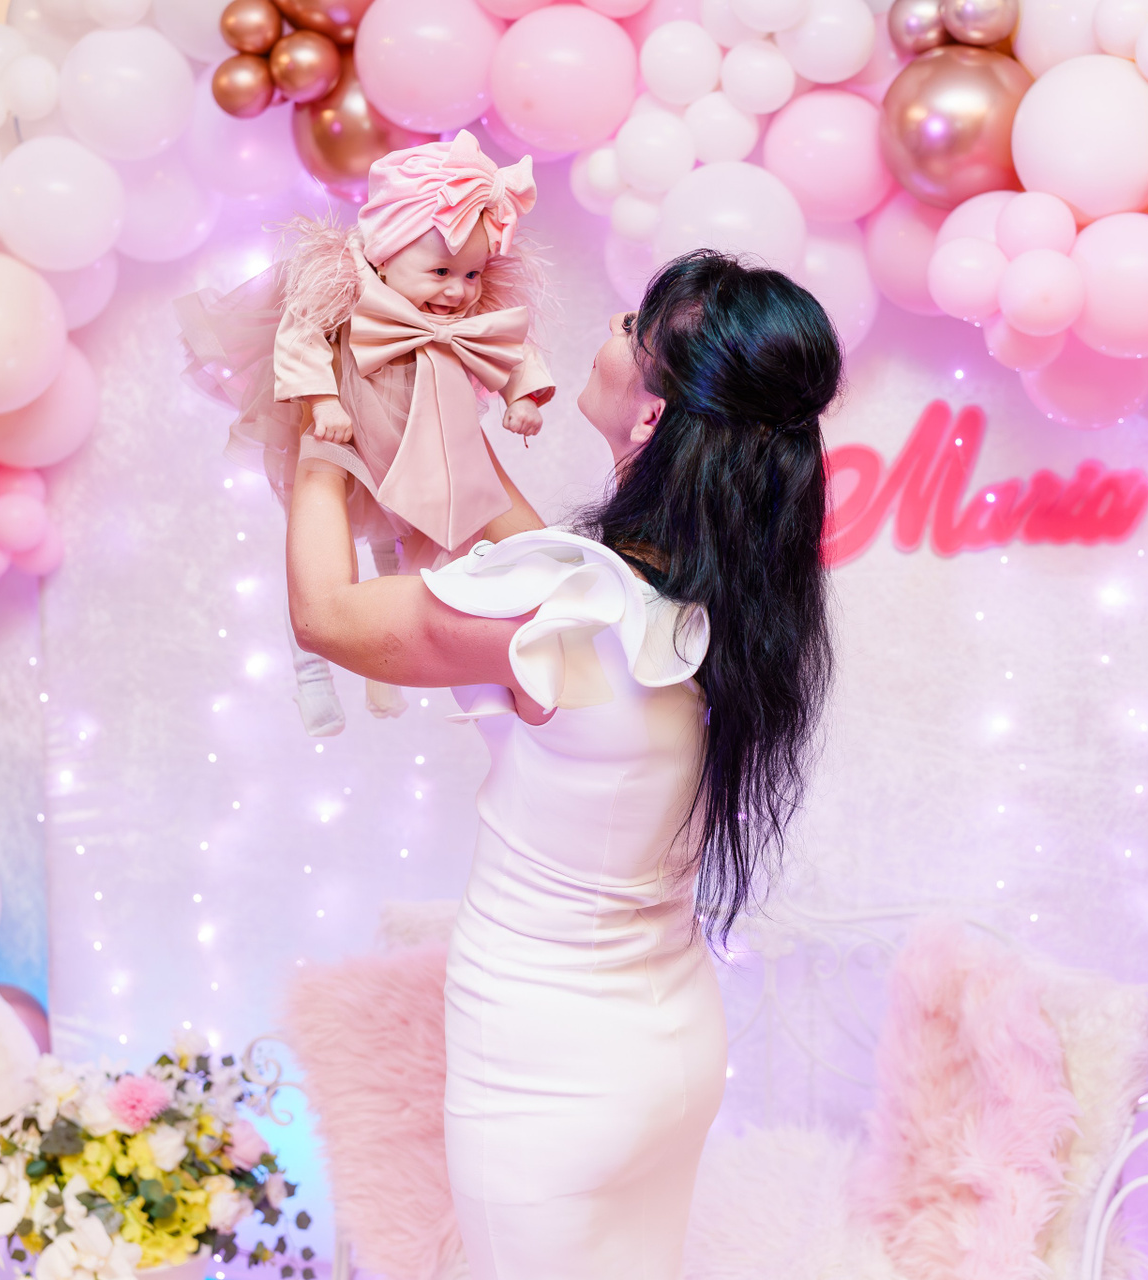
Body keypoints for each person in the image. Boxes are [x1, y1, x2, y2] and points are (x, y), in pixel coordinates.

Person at [285, 251, 840, 1277]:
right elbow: (512, 550)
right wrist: (423, 394)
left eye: (634, 328)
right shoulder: (718, 596)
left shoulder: (567, 604)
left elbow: (326, 615)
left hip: (550, 1081)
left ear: (650, 418)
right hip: (669, 1055)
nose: (613, 331)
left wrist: (313, 439)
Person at [179, 129, 553, 736]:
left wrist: (523, 396)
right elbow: (299, 339)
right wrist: (322, 400)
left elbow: (505, 343)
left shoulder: (467, 306)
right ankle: (311, 677)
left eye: (472, 274)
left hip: (421, 444)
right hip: (347, 436)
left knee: (407, 553)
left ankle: (391, 669)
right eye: (440, 271)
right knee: (323, 561)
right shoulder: (344, 287)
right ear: (385, 252)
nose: (457, 290)